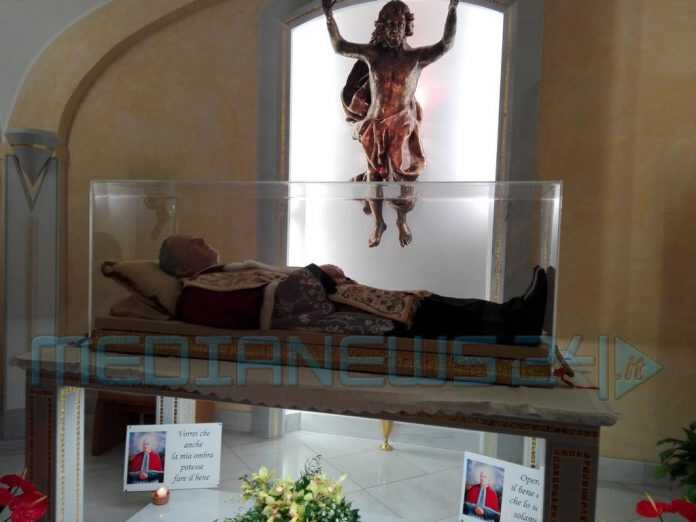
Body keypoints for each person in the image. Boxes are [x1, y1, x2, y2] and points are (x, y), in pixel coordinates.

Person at [157, 235, 547, 345]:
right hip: (337, 322)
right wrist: (317, 273)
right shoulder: (196, 295)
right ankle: (517, 323)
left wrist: (321, 277)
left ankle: (514, 314)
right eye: (193, 242)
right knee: (430, 317)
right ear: (183, 264)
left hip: (346, 304)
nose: (203, 239)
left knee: (427, 303)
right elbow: (264, 312)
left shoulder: (221, 275)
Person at [323, 0, 460, 248]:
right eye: (389, 25)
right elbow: (340, 46)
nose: (394, 30)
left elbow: (446, 44)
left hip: (402, 126)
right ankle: (378, 223)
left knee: (402, 177)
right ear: (382, 28)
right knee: (373, 176)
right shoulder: (373, 54)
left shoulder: (416, 58)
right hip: (374, 125)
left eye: (399, 25)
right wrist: (329, 18)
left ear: (407, 27)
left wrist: (452, 11)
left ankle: (401, 219)